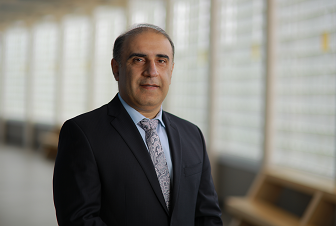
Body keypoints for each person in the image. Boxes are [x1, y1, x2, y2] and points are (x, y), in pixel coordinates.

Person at [53, 23, 223, 226]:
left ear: (171, 70)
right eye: (138, 59)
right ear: (116, 69)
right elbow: (79, 220)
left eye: (161, 61)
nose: (151, 71)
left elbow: (208, 215)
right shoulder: (82, 133)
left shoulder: (192, 134)